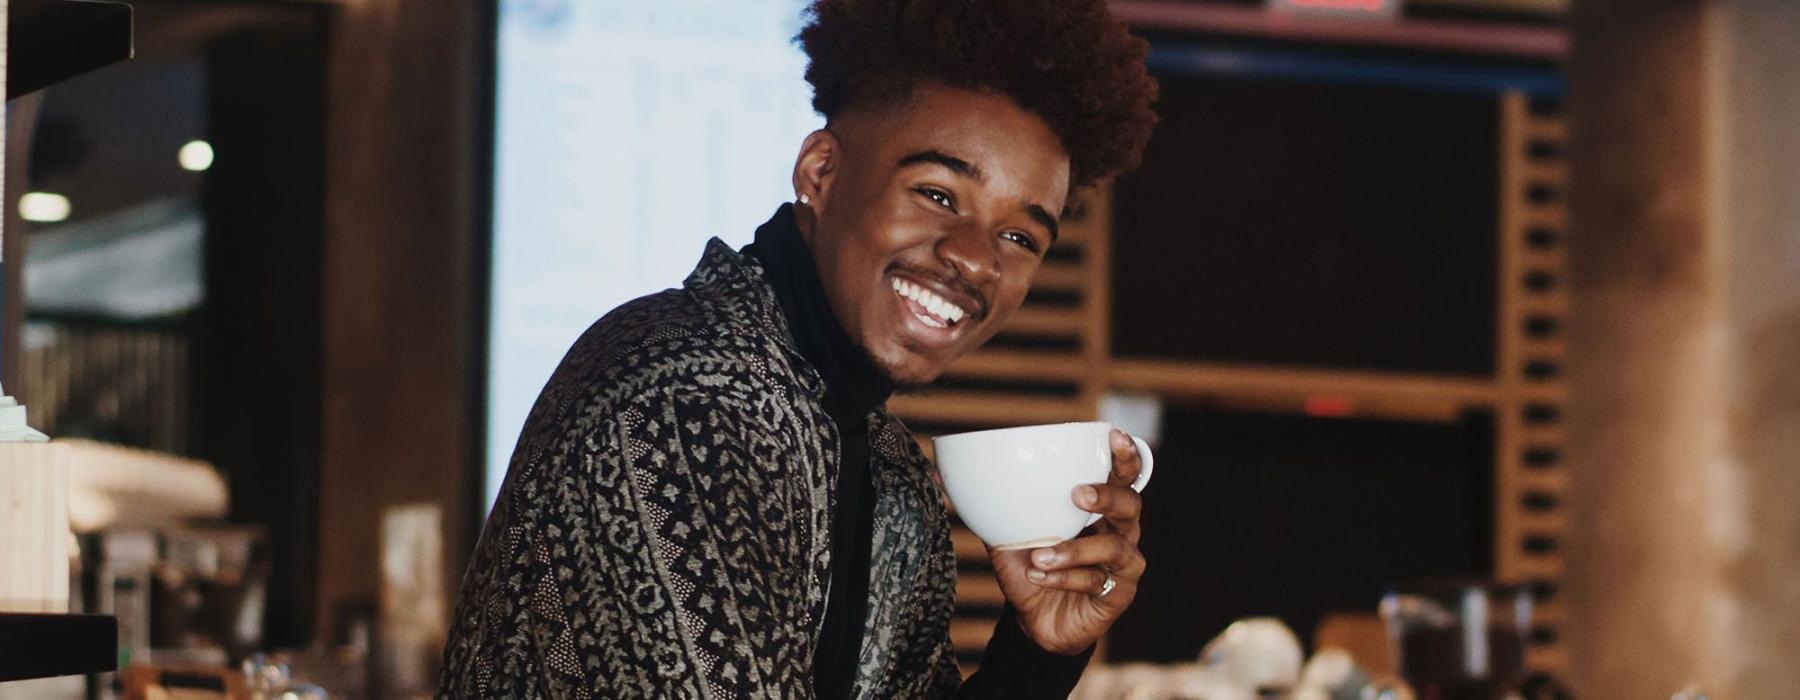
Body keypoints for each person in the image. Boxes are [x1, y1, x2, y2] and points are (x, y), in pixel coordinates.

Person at [438, 0, 1159, 696]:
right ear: (821, 172)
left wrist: (1035, 656)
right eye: (938, 195)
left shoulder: (888, 471)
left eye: (1019, 237)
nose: (976, 262)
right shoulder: (683, 401)